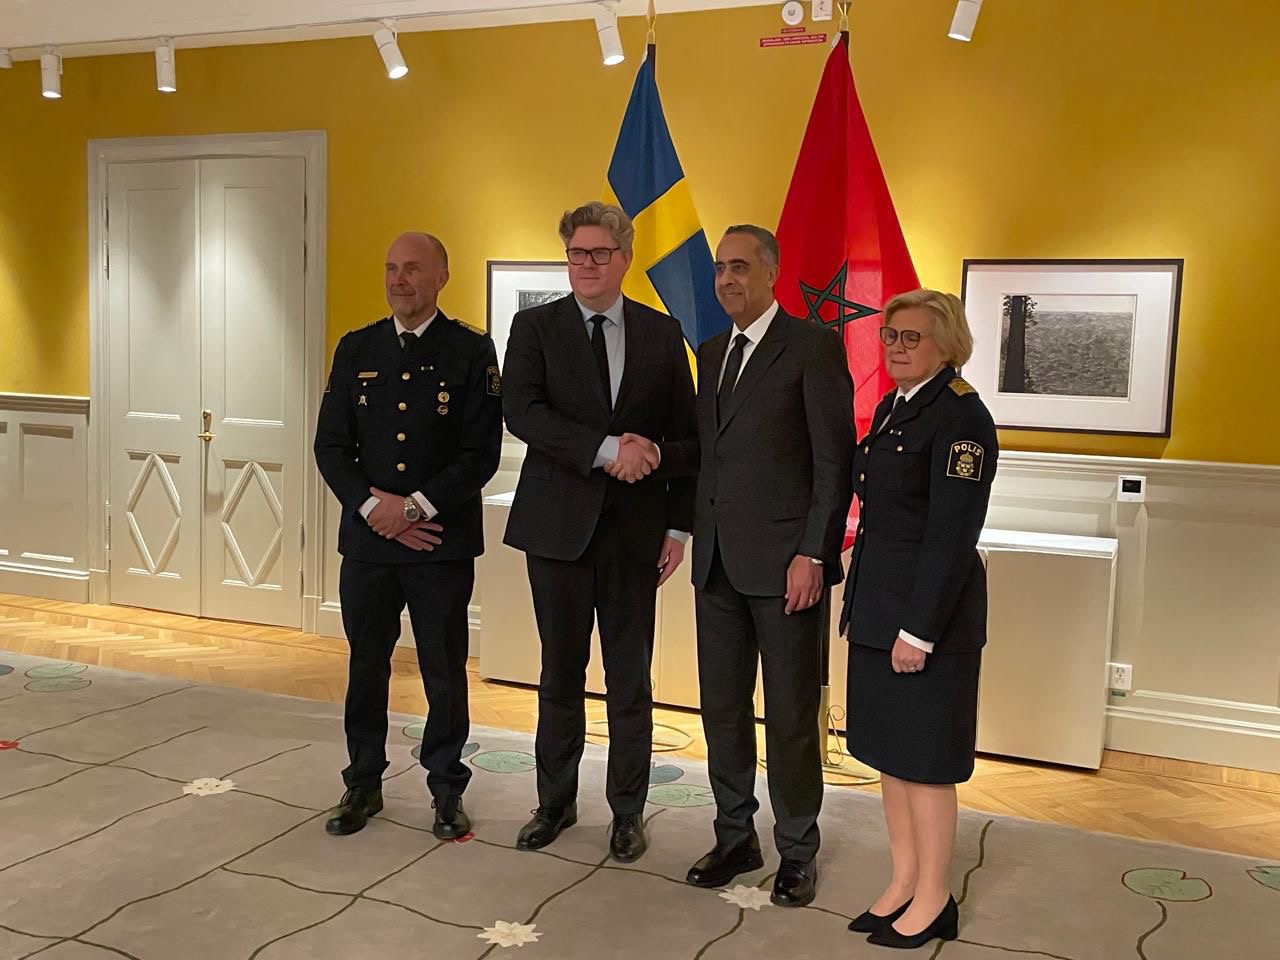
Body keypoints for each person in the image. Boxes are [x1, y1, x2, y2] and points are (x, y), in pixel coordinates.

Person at [501, 201, 697, 863]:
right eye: (576, 253)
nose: (586, 264)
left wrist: (678, 526)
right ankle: (553, 804)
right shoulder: (535, 327)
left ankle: (627, 812)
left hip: (636, 535)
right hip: (556, 530)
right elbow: (523, 413)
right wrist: (608, 448)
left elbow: (689, 439)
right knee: (559, 674)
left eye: (599, 253)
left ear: (625, 258)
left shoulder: (662, 334)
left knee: (629, 680)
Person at [668, 224, 854, 907]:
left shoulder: (812, 347)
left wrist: (814, 553)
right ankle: (734, 835)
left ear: (772, 272)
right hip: (717, 564)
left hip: (787, 570)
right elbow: (710, 456)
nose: (726, 279)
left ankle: (797, 850)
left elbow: (834, 463)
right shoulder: (712, 351)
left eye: (740, 266)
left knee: (790, 714)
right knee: (721, 708)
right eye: (720, 268)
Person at [313, 232, 503, 840]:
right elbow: (330, 446)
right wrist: (376, 509)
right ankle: (362, 782)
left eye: (413, 269)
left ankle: (446, 789)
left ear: (442, 276)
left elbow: (481, 453)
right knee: (366, 665)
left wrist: (414, 510)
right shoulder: (356, 347)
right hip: (369, 542)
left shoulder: (471, 350)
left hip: (439, 542)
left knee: (443, 669)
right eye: (392, 268)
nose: (399, 279)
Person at [838, 288, 998, 949]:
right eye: (891, 336)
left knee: (927, 762)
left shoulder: (961, 417)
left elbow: (951, 535)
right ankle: (904, 880)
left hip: (927, 621)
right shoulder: (893, 406)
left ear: (946, 345)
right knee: (891, 756)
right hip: (880, 607)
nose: (897, 348)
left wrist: (919, 630)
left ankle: (935, 896)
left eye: (912, 337)